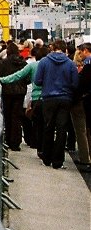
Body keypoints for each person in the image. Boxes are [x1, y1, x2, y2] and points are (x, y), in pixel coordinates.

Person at [33, 39, 80, 169]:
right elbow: (75, 83)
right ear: (65, 49)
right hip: (65, 99)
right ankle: (58, 161)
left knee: (48, 127)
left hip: (48, 98)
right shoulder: (71, 64)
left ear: (52, 48)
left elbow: (37, 81)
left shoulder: (43, 62)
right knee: (61, 129)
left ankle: (46, 158)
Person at [0, 42, 28, 150]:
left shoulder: (3, 63)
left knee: (7, 117)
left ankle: (8, 140)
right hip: (20, 93)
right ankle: (16, 142)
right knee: (17, 117)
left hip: (7, 92)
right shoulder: (23, 63)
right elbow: (28, 78)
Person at [70, 42, 91, 171]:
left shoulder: (87, 67)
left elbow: (81, 85)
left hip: (84, 101)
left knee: (82, 130)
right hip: (86, 99)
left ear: (84, 51)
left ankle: (85, 159)